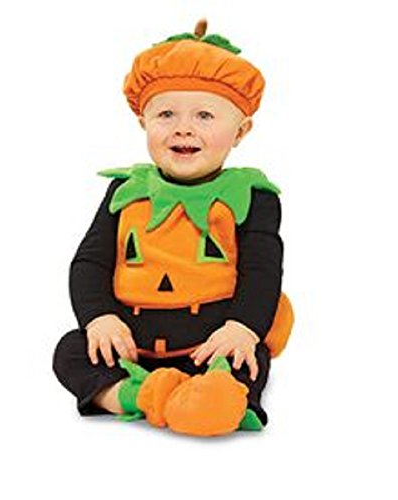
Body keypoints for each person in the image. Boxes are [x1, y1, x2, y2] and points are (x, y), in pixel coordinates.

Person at [53, 19, 292, 436]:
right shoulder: (125, 191)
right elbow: (89, 263)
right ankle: (139, 395)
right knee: (70, 351)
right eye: (166, 114)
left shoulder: (253, 197)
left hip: (211, 344)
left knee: (248, 357)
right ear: (143, 122)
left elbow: (262, 272)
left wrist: (241, 328)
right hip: (132, 346)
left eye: (204, 115)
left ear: (240, 131)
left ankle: (214, 396)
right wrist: (100, 319)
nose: (184, 127)